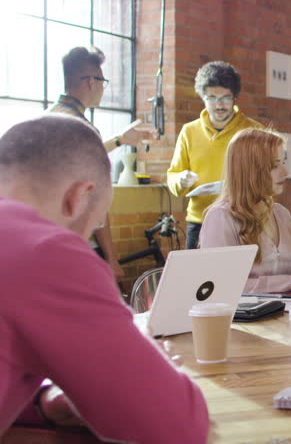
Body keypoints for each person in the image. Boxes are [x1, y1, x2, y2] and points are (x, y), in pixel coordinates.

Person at [0, 115, 208, 442]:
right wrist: (155, 368)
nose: (86, 239)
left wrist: (41, 400)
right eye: (96, 224)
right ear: (79, 197)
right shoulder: (48, 252)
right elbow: (177, 425)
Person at [49, 45, 155, 280]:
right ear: (90, 81)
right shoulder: (82, 128)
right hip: (75, 243)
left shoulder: (47, 119)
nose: (103, 89)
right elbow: (94, 200)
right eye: (103, 81)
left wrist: (119, 140)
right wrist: (111, 258)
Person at [199, 128, 291, 293]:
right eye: (275, 165)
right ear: (250, 171)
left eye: (283, 162)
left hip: (286, 315)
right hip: (244, 319)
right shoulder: (220, 217)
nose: (285, 172)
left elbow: (282, 274)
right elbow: (220, 286)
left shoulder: (282, 214)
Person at [167, 61, 262, 250]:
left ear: (235, 97)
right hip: (199, 222)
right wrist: (181, 180)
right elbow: (173, 176)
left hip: (242, 222)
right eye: (212, 98)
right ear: (203, 97)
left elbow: (266, 177)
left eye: (226, 98)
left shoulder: (253, 131)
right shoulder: (189, 132)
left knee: (243, 279)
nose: (219, 105)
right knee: (196, 280)